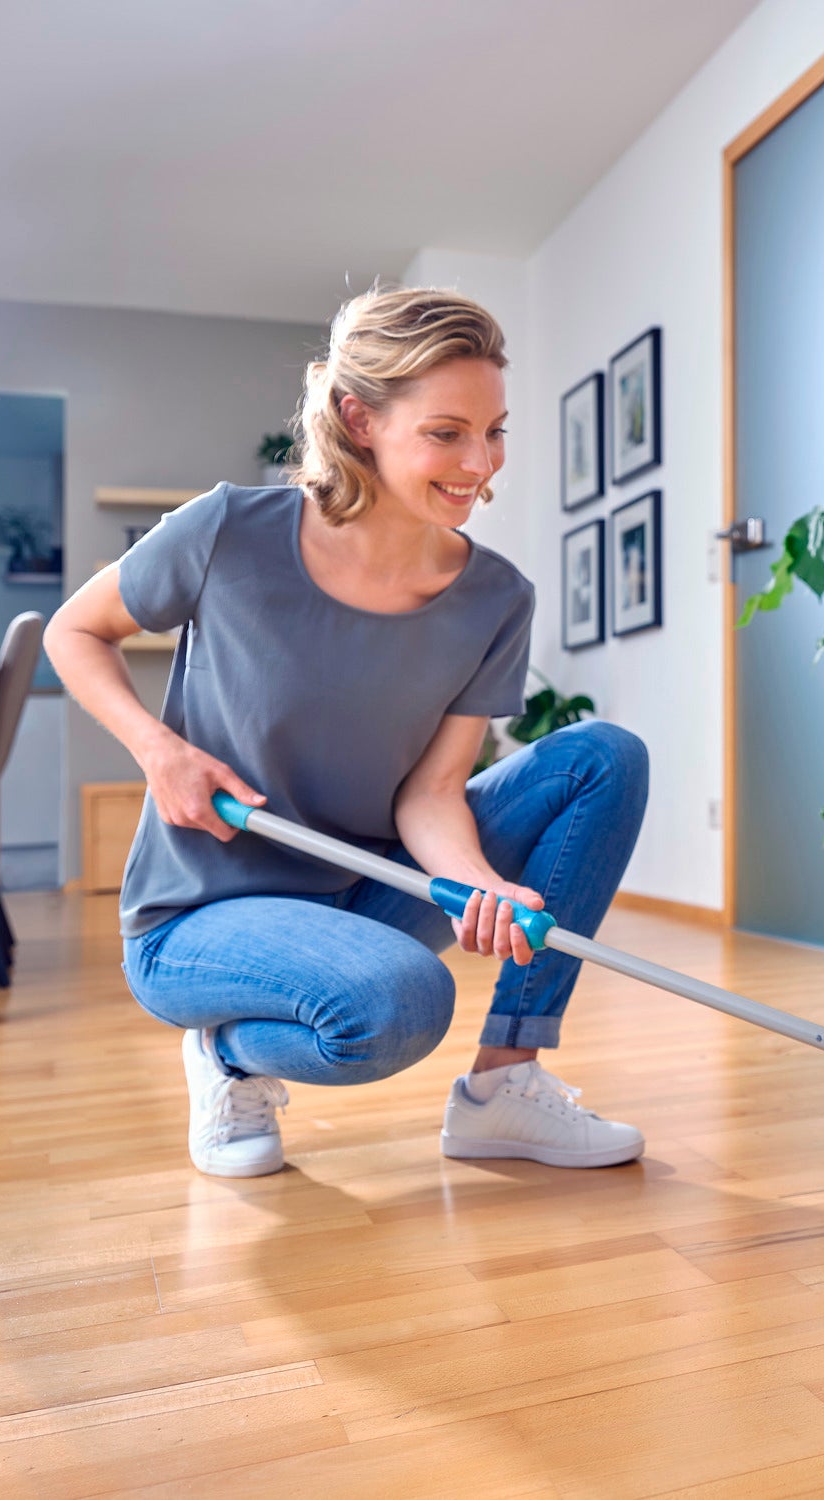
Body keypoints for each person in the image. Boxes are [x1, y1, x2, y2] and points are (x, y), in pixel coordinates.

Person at [46, 286, 648, 1178]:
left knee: (602, 759)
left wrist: (481, 882)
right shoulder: (228, 532)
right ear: (358, 417)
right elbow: (74, 630)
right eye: (446, 433)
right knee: (401, 1004)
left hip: (366, 890)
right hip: (203, 915)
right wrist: (157, 748)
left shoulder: (496, 597)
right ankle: (227, 1057)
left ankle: (504, 1087)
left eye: (495, 430)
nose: (481, 463)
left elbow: (433, 791)